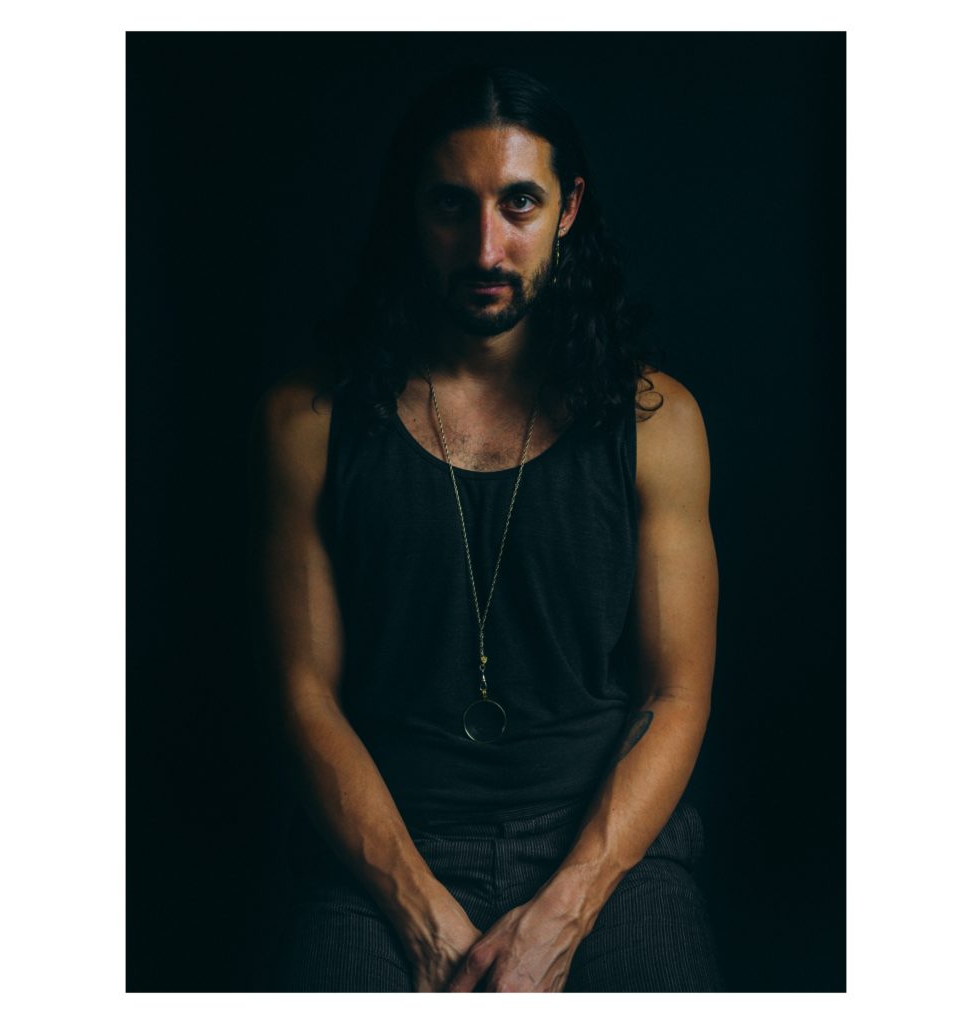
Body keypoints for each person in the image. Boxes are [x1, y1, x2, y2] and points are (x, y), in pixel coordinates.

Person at [249, 65, 721, 992]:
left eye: (518, 204)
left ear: (567, 208)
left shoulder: (659, 421)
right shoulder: (307, 422)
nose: (486, 248)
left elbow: (677, 694)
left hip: (605, 840)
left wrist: (569, 905)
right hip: (383, 843)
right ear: (410, 210)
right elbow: (304, 694)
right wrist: (416, 905)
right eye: (450, 206)